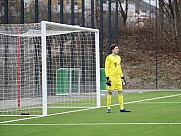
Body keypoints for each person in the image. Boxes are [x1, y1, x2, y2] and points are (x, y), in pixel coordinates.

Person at [105, 44, 131, 113]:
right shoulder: (109, 58)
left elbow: (119, 68)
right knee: (110, 92)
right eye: (116, 48)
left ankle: (122, 108)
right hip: (111, 77)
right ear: (112, 50)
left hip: (118, 77)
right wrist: (107, 77)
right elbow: (106, 68)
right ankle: (108, 108)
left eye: (118, 48)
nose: (117, 49)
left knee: (120, 92)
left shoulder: (119, 57)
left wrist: (122, 77)